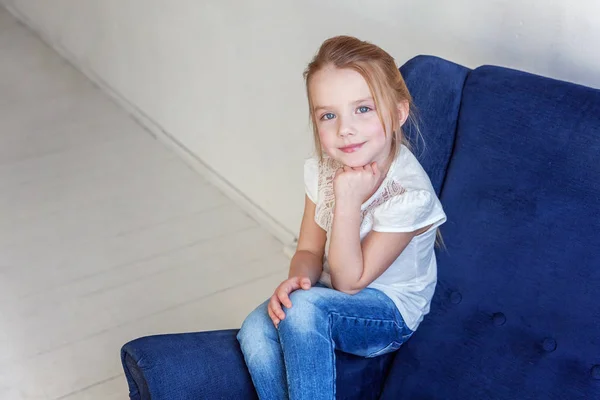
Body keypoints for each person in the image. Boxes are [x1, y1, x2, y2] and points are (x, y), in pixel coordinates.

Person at [236, 35, 447, 400]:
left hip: (388, 312)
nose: (344, 129)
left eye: (363, 109)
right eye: (328, 115)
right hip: (327, 297)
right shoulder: (322, 170)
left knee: (301, 313)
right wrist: (297, 283)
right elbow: (308, 251)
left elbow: (351, 282)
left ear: (398, 113)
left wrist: (348, 201)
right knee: (255, 328)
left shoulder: (409, 194)